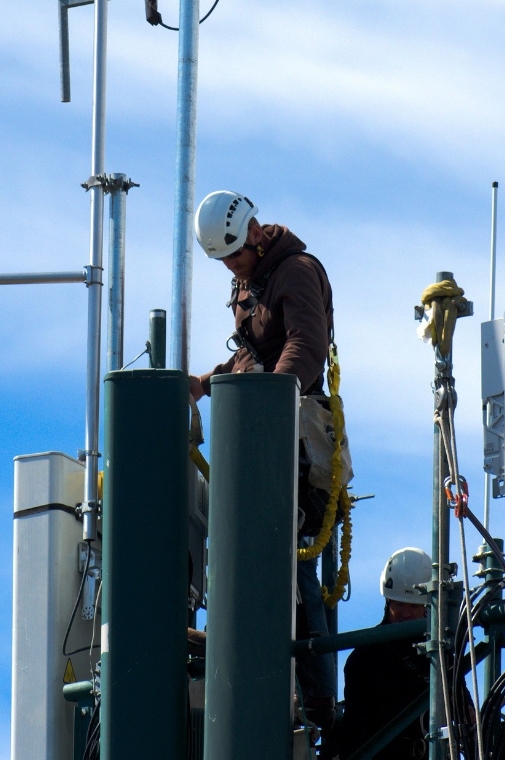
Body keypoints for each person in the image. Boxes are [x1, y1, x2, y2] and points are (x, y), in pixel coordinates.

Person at [190, 189, 338, 724]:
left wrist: (270, 408)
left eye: (234, 254)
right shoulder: (251, 279)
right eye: (223, 261)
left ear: (253, 231)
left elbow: (304, 345)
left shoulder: (294, 271)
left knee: (296, 566)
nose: (231, 266)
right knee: (258, 557)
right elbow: (254, 354)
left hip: (297, 438)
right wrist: (207, 384)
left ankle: (319, 703)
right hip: (271, 430)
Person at [338, 548, 433, 760]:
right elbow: (354, 730)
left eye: (414, 606)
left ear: (426, 607)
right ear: (388, 601)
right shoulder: (365, 656)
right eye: (399, 604)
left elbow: (464, 709)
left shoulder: (440, 653)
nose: (406, 613)